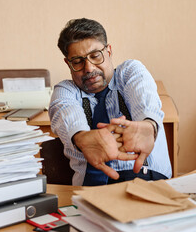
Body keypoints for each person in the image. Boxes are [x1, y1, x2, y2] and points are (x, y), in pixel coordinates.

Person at [49, 18, 172, 186]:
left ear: (109, 51)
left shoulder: (129, 72)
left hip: (146, 181)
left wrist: (149, 124)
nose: (89, 68)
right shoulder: (66, 90)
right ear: (68, 63)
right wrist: (82, 138)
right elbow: (65, 112)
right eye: (78, 62)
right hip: (91, 191)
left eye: (95, 56)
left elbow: (145, 98)